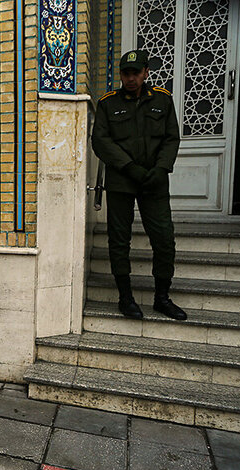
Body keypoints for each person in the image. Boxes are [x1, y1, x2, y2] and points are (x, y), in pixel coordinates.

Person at [91, 49, 187, 321]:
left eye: (136, 72)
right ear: (120, 75)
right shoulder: (108, 103)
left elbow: (171, 138)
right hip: (122, 181)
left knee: (164, 240)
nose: (131, 78)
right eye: (126, 73)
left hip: (154, 182)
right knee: (119, 241)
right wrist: (129, 167)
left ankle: (162, 298)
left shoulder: (163, 100)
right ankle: (125, 298)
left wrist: (161, 168)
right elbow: (100, 141)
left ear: (146, 72)